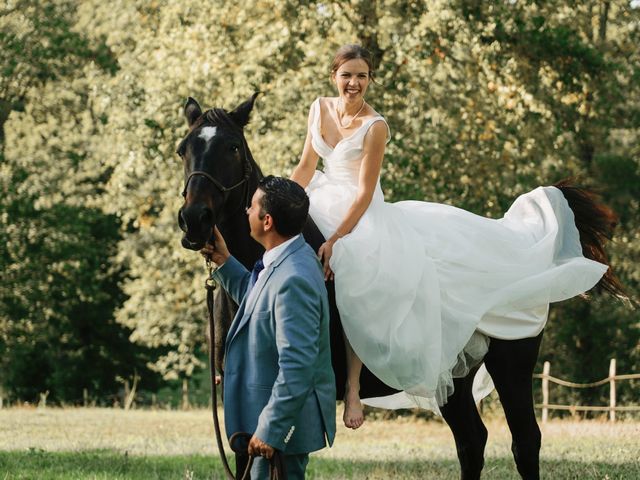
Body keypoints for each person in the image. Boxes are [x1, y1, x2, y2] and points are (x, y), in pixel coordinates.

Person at [290, 44, 609, 429]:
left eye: (362, 75)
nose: (354, 83)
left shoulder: (376, 127)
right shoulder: (319, 108)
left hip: (361, 214)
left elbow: (363, 193)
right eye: (347, 75)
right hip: (321, 198)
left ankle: (354, 388)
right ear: (333, 77)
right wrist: (283, 202)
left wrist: (337, 238)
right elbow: (306, 166)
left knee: (354, 270)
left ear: (370, 79)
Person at [201, 175, 336, 479]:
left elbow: (297, 366)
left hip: (279, 430)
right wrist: (224, 262)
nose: (246, 211)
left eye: (251, 207)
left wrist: (272, 429)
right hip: (265, 418)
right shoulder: (287, 258)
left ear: (267, 221)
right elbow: (259, 301)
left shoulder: (294, 279)